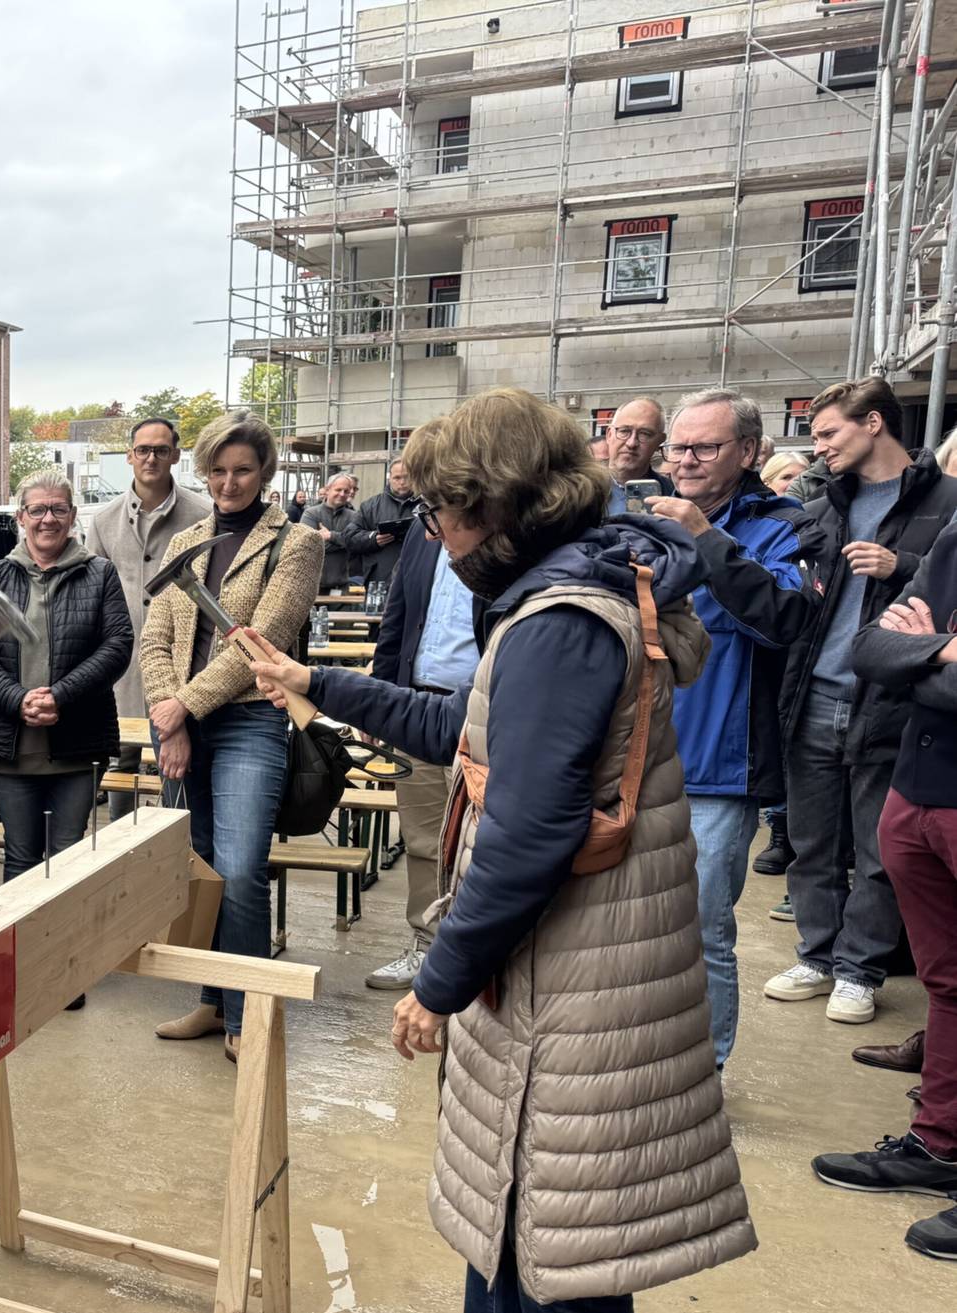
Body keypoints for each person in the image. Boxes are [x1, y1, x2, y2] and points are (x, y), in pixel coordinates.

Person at [248, 386, 755, 1311]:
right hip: (577, 969)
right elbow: (466, 725)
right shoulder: (569, 593)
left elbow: (528, 835)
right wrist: (314, 681)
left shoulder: (561, 622)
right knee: (544, 1238)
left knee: (547, 1250)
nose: (437, 536)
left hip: (570, 984)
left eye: (440, 512)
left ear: (494, 504)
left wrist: (439, 982)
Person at [764, 376, 957, 1025]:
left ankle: (858, 971)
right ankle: (817, 956)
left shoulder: (948, 502)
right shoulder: (822, 506)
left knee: (879, 852)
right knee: (811, 842)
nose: (818, 447)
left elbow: (944, 597)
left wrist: (901, 565)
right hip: (815, 691)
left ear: (873, 422)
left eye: (828, 432)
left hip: (892, 699)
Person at [143, 412, 321, 1062]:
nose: (229, 482)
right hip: (183, 726)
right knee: (205, 870)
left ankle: (249, 1016)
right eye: (217, 470)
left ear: (264, 471)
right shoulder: (187, 539)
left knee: (242, 870)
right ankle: (214, 1001)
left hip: (250, 721)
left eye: (242, 469)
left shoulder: (295, 543)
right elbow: (155, 637)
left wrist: (181, 706)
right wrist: (171, 716)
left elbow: (262, 644)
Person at [644, 389, 813, 1068]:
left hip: (719, 767)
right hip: (636, 755)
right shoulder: (647, 516)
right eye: (677, 446)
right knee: (631, 927)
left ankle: (703, 1070)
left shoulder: (783, 526)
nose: (684, 460)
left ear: (747, 452)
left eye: (703, 447)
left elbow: (784, 621)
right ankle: (646, 1058)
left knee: (700, 929)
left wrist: (706, 539)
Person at [819, 520, 957, 1261]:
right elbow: (869, 648)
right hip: (919, 789)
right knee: (947, 985)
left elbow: (901, 662)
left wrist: (920, 654)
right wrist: (943, 650)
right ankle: (939, 1145)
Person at [0, 469, 132, 881]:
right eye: (37, 509)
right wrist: (17, 700)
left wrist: (61, 695)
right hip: (10, 747)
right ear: (21, 517)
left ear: (73, 515)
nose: (48, 519)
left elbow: (117, 646)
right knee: (20, 860)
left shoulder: (100, 574)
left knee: (68, 859)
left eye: (58, 509)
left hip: (78, 743)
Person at [364, 418, 478, 992]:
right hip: (418, 703)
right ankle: (427, 945)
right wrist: (381, 702)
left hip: (486, 709)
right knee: (424, 835)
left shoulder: (507, 528)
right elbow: (398, 617)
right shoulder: (420, 528)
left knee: (487, 841)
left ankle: (479, 956)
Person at [89, 417, 209, 819]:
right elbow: (93, 595)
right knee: (120, 759)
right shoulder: (104, 521)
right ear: (129, 456)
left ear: (175, 455)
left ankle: (175, 835)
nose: (151, 458)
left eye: (161, 450)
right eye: (143, 450)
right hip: (122, 667)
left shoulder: (202, 514)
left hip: (183, 666)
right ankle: (120, 839)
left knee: (179, 760)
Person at [355, 458, 418, 588]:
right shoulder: (370, 506)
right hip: (380, 580)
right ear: (389, 479)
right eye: (397, 478)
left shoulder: (428, 504)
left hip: (417, 576)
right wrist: (373, 539)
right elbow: (350, 536)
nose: (402, 482)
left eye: (406, 477)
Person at [602, 396, 675, 503]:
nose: (631, 443)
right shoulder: (580, 491)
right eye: (624, 431)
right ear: (609, 435)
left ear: (659, 442)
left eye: (644, 434)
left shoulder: (673, 495)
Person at [302, 473, 367, 592]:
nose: (342, 494)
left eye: (346, 491)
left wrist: (331, 536)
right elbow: (308, 545)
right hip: (313, 586)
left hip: (341, 585)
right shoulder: (310, 514)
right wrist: (344, 541)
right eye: (338, 490)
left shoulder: (354, 516)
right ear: (327, 490)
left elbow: (357, 543)